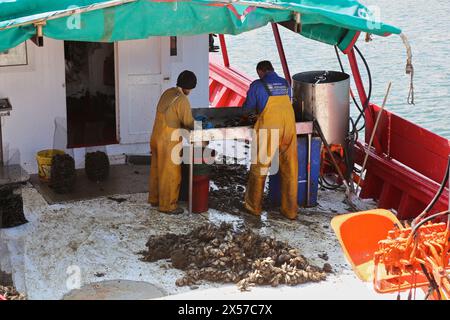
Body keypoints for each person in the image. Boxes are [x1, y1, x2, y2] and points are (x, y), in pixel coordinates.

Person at [242, 61, 298, 220]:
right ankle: (290, 210)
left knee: (260, 166)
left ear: (260, 71)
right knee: (290, 167)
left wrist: (245, 115)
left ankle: (253, 207)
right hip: (288, 126)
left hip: (270, 128)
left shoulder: (257, 85)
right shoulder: (285, 83)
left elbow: (248, 108)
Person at [148, 70, 197, 214]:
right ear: (189, 87)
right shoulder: (182, 100)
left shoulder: (168, 92)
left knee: (157, 170)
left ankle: (155, 199)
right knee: (171, 173)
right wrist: (201, 127)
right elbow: (188, 121)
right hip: (169, 141)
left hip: (156, 137)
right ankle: (168, 206)